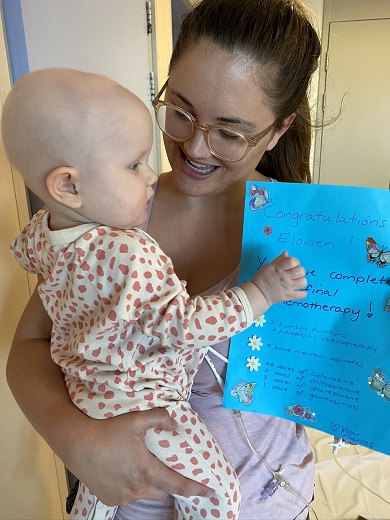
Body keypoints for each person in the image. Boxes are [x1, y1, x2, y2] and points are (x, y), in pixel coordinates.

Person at [5, 0, 321, 518]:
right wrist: (77, 442)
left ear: (279, 130)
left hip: (266, 498)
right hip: (132, 501)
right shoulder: (113, 214)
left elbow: (345, 369)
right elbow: (33, 343)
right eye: (180, 112)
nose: (195, 146)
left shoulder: (308, 229)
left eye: (230, 131)